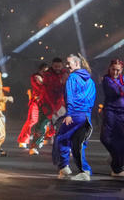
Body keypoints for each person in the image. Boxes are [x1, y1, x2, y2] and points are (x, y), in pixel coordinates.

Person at [54, 53, 96, 181]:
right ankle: (85, 171)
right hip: (86, 116)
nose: (67, 66)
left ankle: (64, 167)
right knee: (79, 144)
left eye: (69, 63)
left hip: (75, 114)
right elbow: (92, 98)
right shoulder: (90, 80)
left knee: (61, 139)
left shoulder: (72, 77)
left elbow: (70, 96)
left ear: (77, 63)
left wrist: (69, 113)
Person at [100, 59, 124, 178]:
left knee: (120, 141)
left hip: (122, 113)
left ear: (121, 70)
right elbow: (116, 91)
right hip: (111, 112)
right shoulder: (107, 79)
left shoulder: (122, 79)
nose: (115, 72)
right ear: (109, 69)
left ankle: (117, 165)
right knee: (106, 138)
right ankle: (117, 160)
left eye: (117, 70)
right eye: (113, 69)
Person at [18, 62, 49, 148]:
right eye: (43, 71)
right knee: (32, 120)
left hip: (46, 102)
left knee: (48, 120)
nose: (45, 73)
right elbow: (41, 88)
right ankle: (23, 139)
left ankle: (45, 138)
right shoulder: (35, 77)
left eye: (46, 72)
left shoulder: (48, 78)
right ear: (39, 71)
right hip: (36, 102)